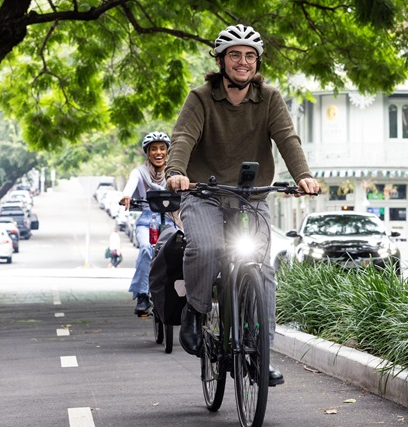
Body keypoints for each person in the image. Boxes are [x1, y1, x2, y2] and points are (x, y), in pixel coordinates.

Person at [166, 24, 320, 386]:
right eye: (234, 55)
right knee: (206, 247)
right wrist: (176, 172)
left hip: (250, 197)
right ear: (221, 61)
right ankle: (197, 309)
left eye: (250, 56)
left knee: (261, 268)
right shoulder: (201, 97)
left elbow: (287, 138)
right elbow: (183, 136)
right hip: (203, 193)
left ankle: (260, 354)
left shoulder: (268, 98)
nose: (243, 62)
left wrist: (304, 176)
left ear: (257, 62)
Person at [121, 131, 174, 316]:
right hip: (147, 221)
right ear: (147, 152)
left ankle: (181, 295)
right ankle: (143, 295)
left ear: (168, 151)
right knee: (145, 248)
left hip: (170, 221)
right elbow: (131, 184)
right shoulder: (140, 172)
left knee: (180, 252)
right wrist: (127, 196)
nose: (158, 153)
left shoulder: (174, 172)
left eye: (162, 148)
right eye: (154, 149)